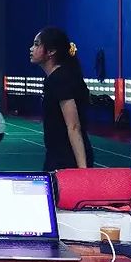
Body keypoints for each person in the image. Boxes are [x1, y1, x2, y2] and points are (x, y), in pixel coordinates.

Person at [29, 26, 94, 171]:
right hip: (55, 155)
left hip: (67, 160)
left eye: (37, 44)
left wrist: (82, 170)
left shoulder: (60, 79)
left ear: (51, 51)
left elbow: (73, 126)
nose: (31, 49)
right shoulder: (53, 78)